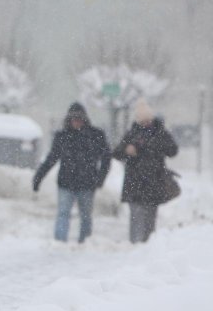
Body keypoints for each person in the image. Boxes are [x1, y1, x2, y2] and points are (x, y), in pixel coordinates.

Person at [32, 102, 111, 243]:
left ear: (85, 119)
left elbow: (106, 158)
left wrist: (100, 178)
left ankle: (85, 243)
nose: (76, 122)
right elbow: (51, 159)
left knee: (86, 216)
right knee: (63, 213)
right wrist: (38, 177)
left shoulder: (95, 135)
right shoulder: (62, 136)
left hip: (87, 183)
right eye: (74, 119)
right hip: (66, 183)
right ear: (69, 120)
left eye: (79, 119)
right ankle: (59, 242)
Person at [112, 99, 178, 243]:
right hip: (134, 183)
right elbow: (116, 153)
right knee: (136, 218)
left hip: (154, 182)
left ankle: (148, 248)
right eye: (143, 120)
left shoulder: (160, 133)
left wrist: (155, 145)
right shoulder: (131, 134)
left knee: (149, 220)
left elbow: (173, 150)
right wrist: (126, 150)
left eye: (148, 119)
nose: (146, 123)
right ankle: (135, 247)